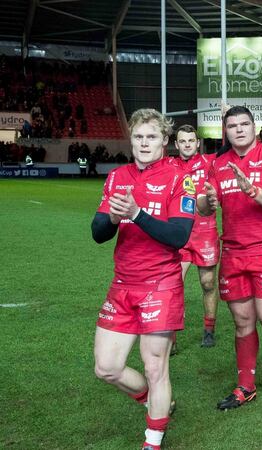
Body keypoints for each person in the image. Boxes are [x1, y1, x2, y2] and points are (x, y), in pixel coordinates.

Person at [91, 108, 195, 450]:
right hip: (122, 284)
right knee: (106, 368)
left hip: (160, 284)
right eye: (138, 137)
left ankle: (153, 440)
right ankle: (155, 401)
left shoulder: (181, 178)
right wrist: (114, 218)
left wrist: (137, 214)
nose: (144, 143)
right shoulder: (117, 176)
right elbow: (98, 232)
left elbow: (179, 236)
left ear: (164, 140)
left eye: (151, 137)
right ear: (131, 139)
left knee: (155, 366)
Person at [197, 106, 262, 409]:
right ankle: (246, 386)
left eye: (244, 124)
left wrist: (253, 191)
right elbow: (202, 206)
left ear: (254, 127)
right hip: (233, 252)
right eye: (232, 125)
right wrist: (207, 201)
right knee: (243, 323)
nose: (239, 129)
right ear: (225, 131)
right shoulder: (217, 164)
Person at [169, 125, 220, 348]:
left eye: (191, 140)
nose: (187, 144)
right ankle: (170, 335)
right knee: (173, 284)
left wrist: (225, 117)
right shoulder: (169, 165)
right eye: (183, 141)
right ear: (176, 144)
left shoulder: (210, 162)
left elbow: (229, 148)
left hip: (205, 232)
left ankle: (209, 329)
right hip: (179, 233)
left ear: (197, 143)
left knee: (208, 283)